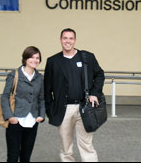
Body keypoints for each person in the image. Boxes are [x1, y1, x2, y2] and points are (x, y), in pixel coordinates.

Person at [44, 28, 105, 162]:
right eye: (65, 38)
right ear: (60, 40)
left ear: (75, 40)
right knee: (66, 148)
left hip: (84, 107)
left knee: (86, 145)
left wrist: (95, 93)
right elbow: (46, 89)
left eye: (71, 38)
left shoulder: (87, 57)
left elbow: (100, 74)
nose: (68, 41)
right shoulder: (53, 61)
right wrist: (50, 110)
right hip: (63, 109)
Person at [1, 46, 45, 162]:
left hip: (32, 121)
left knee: (26, 157)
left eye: (37, 58)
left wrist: (41, 115)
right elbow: (5, 96)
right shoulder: (14, 75)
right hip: (15, 120)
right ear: (25, 59)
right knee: (13, 157)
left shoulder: (40, 78)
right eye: (31, 57)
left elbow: (41, 99)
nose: (34, 60)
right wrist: (10, 117)